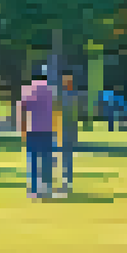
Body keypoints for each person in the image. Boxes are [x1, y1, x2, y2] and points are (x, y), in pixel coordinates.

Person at [18, 68, 55, 200]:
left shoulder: (27, 90)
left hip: (32, 129)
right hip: (47, 130)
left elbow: (22, 110)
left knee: (33, 161)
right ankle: (47, 186)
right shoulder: (51, 91)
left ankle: (34, 189)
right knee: (46, 160)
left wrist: (22, 129)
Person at [55, 72, 84, 197]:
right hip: (67, 131)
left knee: (65, 158)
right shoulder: (73, 97)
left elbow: (64, 116)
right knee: (67, 158)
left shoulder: (64, 98)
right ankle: (67, 182)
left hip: (64, 132)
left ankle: (65, 182)